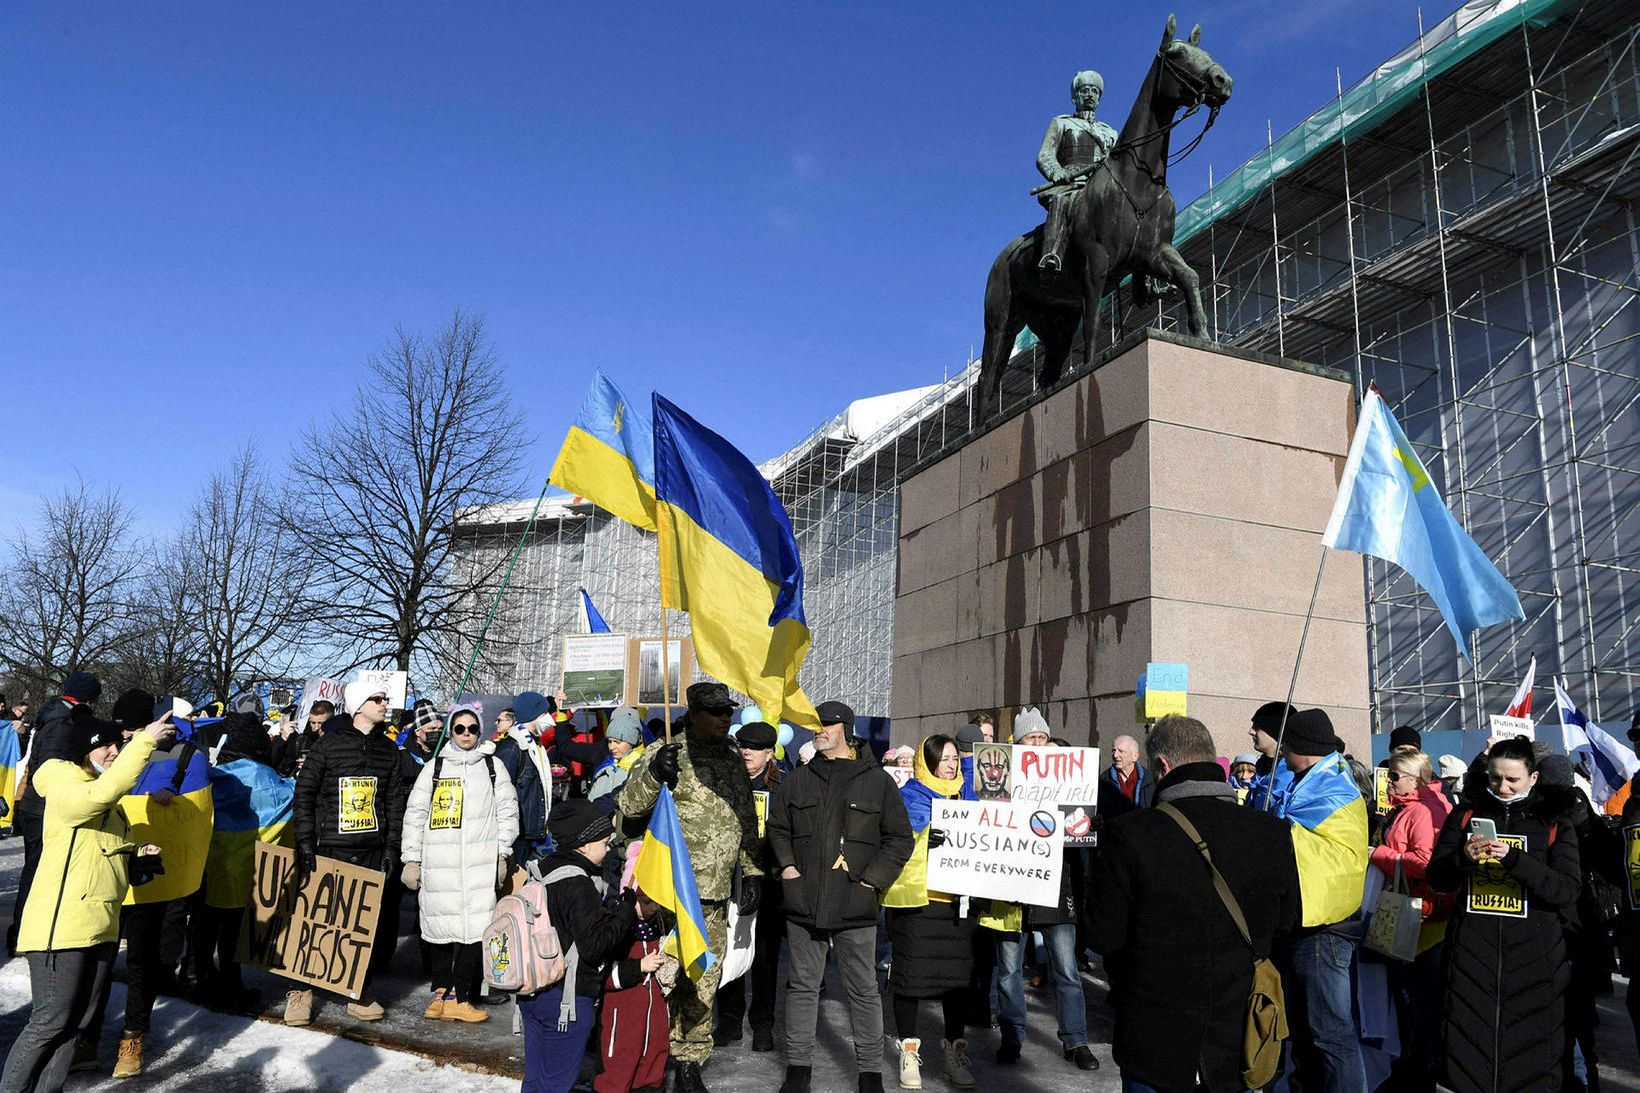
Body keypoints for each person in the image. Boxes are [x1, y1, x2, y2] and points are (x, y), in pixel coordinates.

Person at [1089, 714, 1298, 1092]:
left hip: (1153, 1038)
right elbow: (1287, 922)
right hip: (1239, 1039)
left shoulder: (1130, 834)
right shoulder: (1271, 833)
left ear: (1162, 766)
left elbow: (1103, 935)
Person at [0, 712, 172, 1093]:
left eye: (117, 744)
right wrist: (143, 742)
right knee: (50, 1020)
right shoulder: (67, 785)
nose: (113, 752)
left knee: (78, 1022)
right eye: (104, 745)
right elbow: (98, 797)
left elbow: (97, 853)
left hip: (99, 926)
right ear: (84, 750)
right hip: (60, 928)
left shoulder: (108, 803)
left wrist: (135, 857)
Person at [616, 682, 763, 1093]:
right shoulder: (667, 753)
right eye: (715, 713)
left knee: (703, 980)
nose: (723, 720)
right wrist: (653, 775)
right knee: (663, 976)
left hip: (715, 893)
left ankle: (689, 1060)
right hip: (669, 892)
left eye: (727, 713)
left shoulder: (733, 758)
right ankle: (649, 1053)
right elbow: (628, 807)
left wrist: (752, 870)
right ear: (694, 712)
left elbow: (745, 818)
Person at [768, 701, 913, 1093]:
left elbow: (900, 839)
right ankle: (798, 1069)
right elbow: (777, 828)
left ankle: (870, 1073)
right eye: (816, 724)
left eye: (827, 725)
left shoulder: (877, 781)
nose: (819, 730)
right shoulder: (798, 779)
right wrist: (788, 868)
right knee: (801, 987)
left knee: (863, 990)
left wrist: (872, 882)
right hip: (804, 900)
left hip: (855, 902)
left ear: (845, 731)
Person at [1426, 737, 1582, 1093]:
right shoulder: (1466, 813)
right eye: (1496, 778)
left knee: (1532, 1062)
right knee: (1467, 1056)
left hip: (1536, 962)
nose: (1503, 787)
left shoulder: (1555, 821)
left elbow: (1566, 890)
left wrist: (1513, 859)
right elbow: (1438, 879)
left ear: (1533, 777)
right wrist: (1463, 857)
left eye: (1513, 779)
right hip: (1471, 958)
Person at [286, 680, 407, 1025]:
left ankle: (358, 989)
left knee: (362, 927)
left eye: (385, 698)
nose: (385, 703)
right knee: (316, 922)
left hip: (371, 850)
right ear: (358, 705)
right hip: (330, 847)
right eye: (377, 699)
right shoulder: (328, 747)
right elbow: (305, 795)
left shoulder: (388, 750)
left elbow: (394, 802)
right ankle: (301, 990)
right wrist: (306, 842)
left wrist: (390, 848)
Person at [991, 712, 1099, 1072]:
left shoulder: (1068, 776)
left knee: (1067, 969)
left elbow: (1082, 823)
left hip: (1055, 887)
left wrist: (1089, 821)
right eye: (1030, 739)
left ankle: (1076, 1040)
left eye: (1042, 738)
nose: (1037, 744)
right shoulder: (1001, 779)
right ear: (1018, 742)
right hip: (1011, 888)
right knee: (1008, 969)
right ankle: (1011, 1036)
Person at [1269, 708, 1370, 1093]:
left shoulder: (1330, 786)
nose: (1280, 753)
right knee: (1308, 1033)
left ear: (1302, 748)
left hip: (1325, 925)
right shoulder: (1309, 778)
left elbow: (1288, 831)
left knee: (1330, 1033)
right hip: (1304, 920)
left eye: (1285, 746)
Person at [400, 703, 520, 1023]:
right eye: (459, 728)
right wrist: (411, 858)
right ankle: (441, 993)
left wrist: (502, 854)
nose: (466, 734)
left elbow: (508, 813)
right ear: (450, 732)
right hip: (440, 862)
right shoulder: (435, 767)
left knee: (474, 932)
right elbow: (415, 815)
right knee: (441, 928)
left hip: (479, 864)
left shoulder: (493, 767)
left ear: (479, 731)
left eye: (472, 728)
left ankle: (462, 997)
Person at [521, 799, 639, 1093]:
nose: (610, 848)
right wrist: (625, 911)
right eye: (605, 842)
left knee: (536, 1080)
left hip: (534, 991)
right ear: (585, 844)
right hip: (566, 1001)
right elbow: (594, 947)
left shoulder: (544, 869)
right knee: (555, 1085)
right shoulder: (579, 883)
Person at [882, 733, 977, 1089]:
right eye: (944, 758)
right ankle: (909, 1053)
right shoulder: (909, 797)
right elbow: (895, 843)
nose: (951, 765)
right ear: (928, 763)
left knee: (957, 984)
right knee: (911, 980)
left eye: (955, 758)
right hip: (918, 903)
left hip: (959, 905)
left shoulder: (971, 796)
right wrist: (924, 838)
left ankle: (954, 1053)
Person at [1368, 750, 1452, 1091]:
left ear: (1416, 780)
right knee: (1419, 1002)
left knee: (1417, 1003)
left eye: (1396, 777)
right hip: (1420, 914)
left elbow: (1424, 862)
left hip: (1421, 917)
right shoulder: (1413, 806)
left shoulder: (1421, 809)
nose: (1389, 782)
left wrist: (1378, 854)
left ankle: (1418, 1072)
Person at [8, 672, 102, 959]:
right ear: (87, 698)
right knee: (36, 873)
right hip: (42, 806)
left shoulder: (58, 714)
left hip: (37, 805)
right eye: (96, 699)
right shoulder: (62, 722)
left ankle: (24, 933)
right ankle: (21, 935)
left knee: (36, 871)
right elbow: (51, 767)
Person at [714, 720, 783, 1052]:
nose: (746, 752)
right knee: (730, 951)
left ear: (770, 753)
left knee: (765, 959)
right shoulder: (727, 781)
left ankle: (763, 1024)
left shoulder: (783, 787)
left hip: (769, 882)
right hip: (730, 878)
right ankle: (729, 1021)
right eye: (742, 745)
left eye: (754, 748)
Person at [1034, 70, 1118, 274]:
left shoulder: (1111, 132)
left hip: (1103, 186)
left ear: (1099, 98)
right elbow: (1044, 156)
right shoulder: (1061, 123)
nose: (1090, 94)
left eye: (1094, 91)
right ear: (1075, 97)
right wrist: (1057, 173)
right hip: (1071, 184)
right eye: (1085, 90)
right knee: (1062, 201)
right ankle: (1052, 253)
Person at [596, 889, 674, 1093]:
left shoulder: (661, 925)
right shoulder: (615, 927)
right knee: (619, 1066)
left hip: (655, 1015)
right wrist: (638, 966)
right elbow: (602, 977)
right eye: (646, 902)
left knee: (654, 1057)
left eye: (657, 902)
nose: (653, 908)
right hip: (622, 1018)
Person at [587, 707, 646, 811]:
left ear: (631, 741)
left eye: (617, 742)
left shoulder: (641, 767)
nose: (612, 747)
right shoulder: (606, 766)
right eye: (610, 741)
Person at [1246, 700, 1297, 811]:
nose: (1251, 731)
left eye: (1257, 727)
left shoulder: (1291, 773)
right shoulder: (1260, 766)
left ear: (1274, 732)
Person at [271, 698, 333, 778]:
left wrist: (317, 764)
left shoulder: (339, 741)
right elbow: (278, 766)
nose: (317, 727)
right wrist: (283, 738)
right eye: (313, 723)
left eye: (321, 723)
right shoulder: (300, 741)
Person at [1097, 734, 1153, 822]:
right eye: (1113, 750)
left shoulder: (1150, 781)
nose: (1115, 755)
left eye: (1121, 751)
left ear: (1135, 756)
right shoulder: (1103, 781)